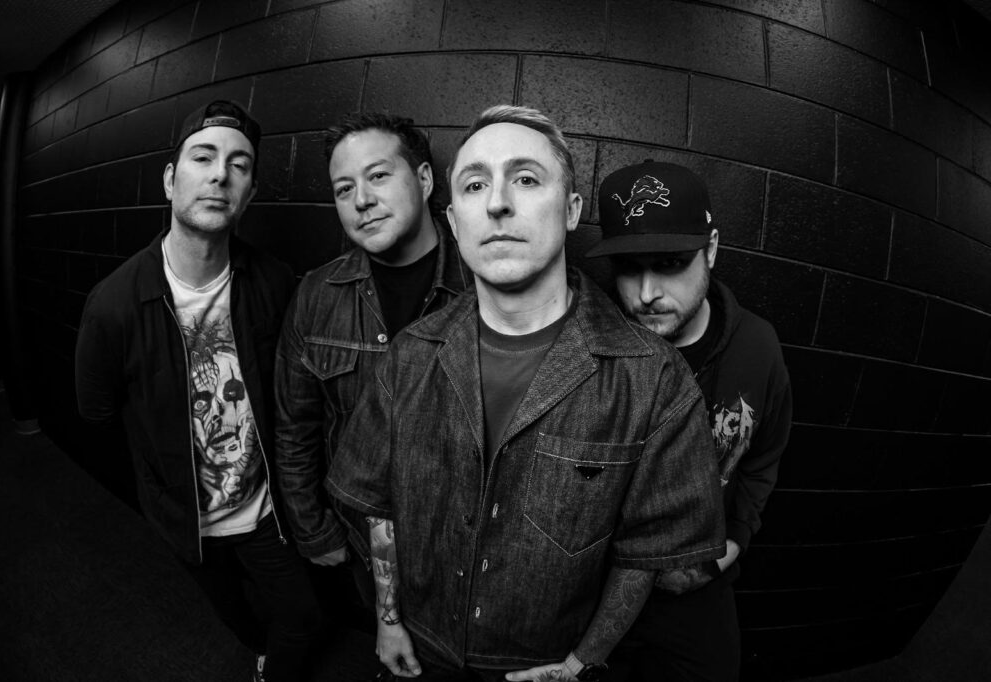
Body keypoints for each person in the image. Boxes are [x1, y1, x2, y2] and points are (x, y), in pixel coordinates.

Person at [325, 105, 726, 681]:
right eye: (475, 185)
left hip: (542, 665)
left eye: (526, 179)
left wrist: (582, 664)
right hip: (424, 649)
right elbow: (377, 508)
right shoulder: (410, 356)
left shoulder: (652, 380)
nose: (497, 203)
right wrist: (388, 620)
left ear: (572, 210)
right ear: (454, 220)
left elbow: (642, 555)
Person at [75, 100, 320, 682]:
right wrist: (161, 489)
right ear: (170, 179)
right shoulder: (112, 305)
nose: (220, 175)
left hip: (266, 512)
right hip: (187, 523)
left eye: (239, 165)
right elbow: (98, 414)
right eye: (203, 157)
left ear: (249, 193)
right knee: (235, 614)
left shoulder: (273, 281)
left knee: (306, 619)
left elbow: (295, 399)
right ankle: (257, 649)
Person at [587, 160, 793, 681]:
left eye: (672, 263)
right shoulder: (587, 347)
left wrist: (731, 544)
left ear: (712, 249)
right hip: (594, 592)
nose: (647, 292)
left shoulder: (757, 348)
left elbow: (763, 459)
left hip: (696, 589)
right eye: (629, 268)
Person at [273, 113, 469, 608]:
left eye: (378, 175)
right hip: (362, 544)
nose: (361, 200)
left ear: (424, 180)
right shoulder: (317, 294)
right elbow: (295, 427)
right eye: (344, 189)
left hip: (461, 550)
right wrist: (313, 529)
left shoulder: (481, 281)